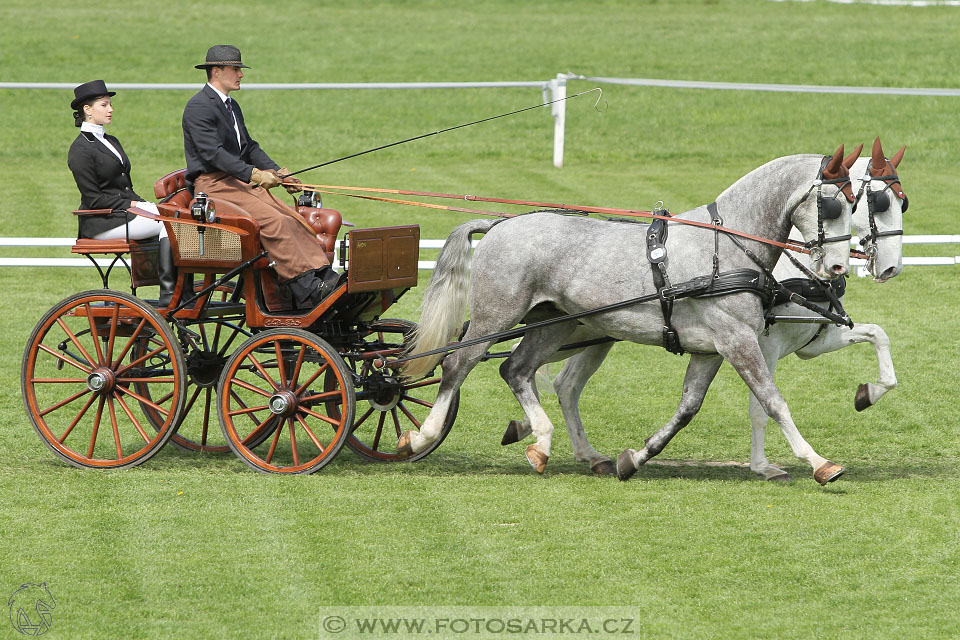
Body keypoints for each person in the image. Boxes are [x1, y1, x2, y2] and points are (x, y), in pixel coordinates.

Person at [182, 44, 338, 309]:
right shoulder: (198, 107)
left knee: (292, 217)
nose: (241, 74)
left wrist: (278, 173)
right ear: (217, 71)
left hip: (235, 182)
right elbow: (213, 154)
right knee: (274, 221)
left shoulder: (231, 106)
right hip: (214, 186)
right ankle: (306, 287)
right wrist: (254, 174)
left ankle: (323, 276)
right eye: (236, 69)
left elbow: (249, 147)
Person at [68, 80, 176, 306]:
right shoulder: (80, 150)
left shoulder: (111, 141)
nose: (111, 109)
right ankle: (169, 293)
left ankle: (178, 286)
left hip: (123, 212)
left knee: (173, 213)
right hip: (102, 221)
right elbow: (94, 198)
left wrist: (145, 205)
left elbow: (125, 186)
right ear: (87, 109)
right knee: (170, 224)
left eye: (110, 105)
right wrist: (132, 205)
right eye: (104, 105)